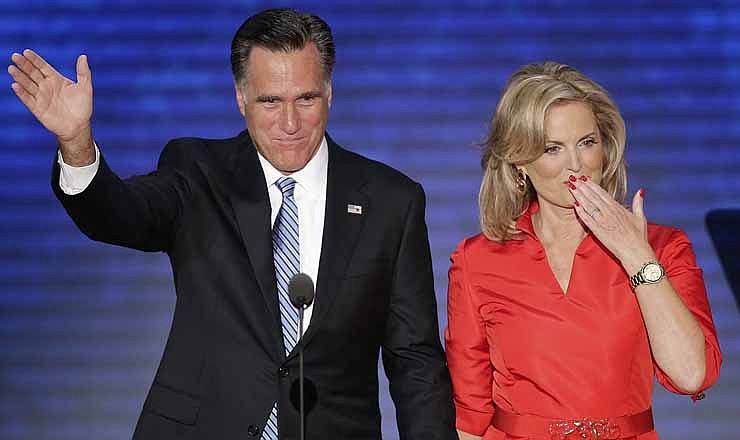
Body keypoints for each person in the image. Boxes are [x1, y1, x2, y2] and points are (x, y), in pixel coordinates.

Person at [8, 8, 456, 440]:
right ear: (240, 98)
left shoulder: (391, 200)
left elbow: (414, 358)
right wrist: (76, 143)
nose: (290, 123)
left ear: (330, 92)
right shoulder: (198, 172)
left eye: (306, 98)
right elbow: (118, 214)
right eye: (270, 101)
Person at [445, 62, 721, 440]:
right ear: (521, 162)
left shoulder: (663, 247)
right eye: (551, 149)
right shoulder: (478, 260)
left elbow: (691, 375)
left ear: (605, 148)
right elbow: (469, 414)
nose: (575, 166)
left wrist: (636, 257)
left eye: (587, 143)